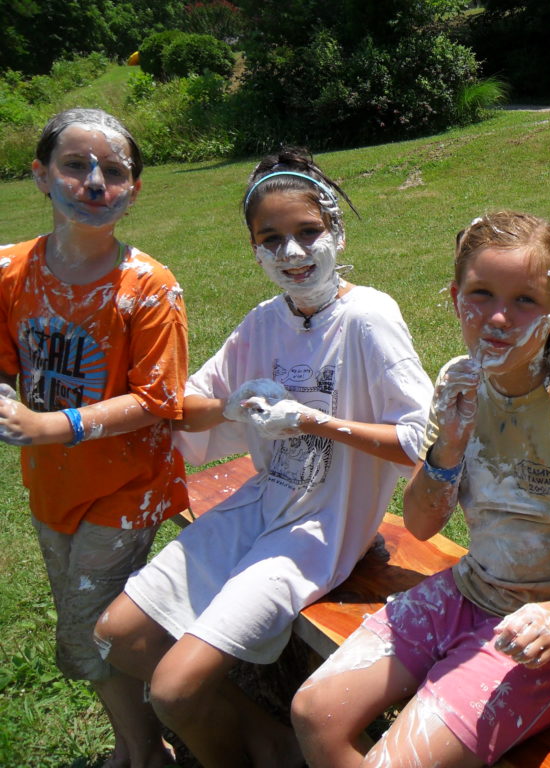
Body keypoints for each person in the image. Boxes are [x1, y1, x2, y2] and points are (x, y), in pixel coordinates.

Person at [290, 210, 550, 767]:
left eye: (524, 301)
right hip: (471, 592)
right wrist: (448, 446)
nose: (496, 317)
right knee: (314, 712)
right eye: (481, 293)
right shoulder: (460, 385)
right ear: (454, 298)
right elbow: (421, 524)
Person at [94, 148, 433, 768]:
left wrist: (313, 419)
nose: (293, 253)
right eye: (270, 239)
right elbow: (186, 407)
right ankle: (268, 739)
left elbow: (419, 438)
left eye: (308, 233)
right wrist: (232, 409)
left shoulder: (368, 318)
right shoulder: (262, 323)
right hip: (261, 503)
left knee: (173, 688)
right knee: (120, 634)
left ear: (337, 231)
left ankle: (244, 748)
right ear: (252, 249)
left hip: (319, 529)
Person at [0, 108, 188, 768]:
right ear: (41, 176)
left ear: (134, 190)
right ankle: (142, 739)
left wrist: (54, 425)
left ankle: (147, 750)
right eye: (76, 165)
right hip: (51, 485)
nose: (94, 181)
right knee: (85, 622)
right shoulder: (9, 272)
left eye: (113, 170)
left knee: (91, 627)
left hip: (126, 488)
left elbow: (159, 399)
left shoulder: (149, 288)